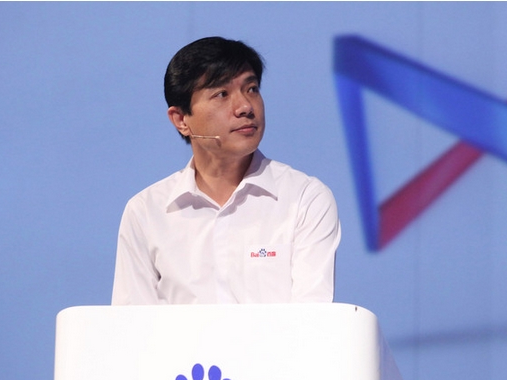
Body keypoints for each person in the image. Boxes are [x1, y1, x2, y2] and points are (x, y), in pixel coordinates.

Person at [111, 37, 341, 305]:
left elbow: (312, 319)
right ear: (181, 119)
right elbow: (131, 324)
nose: (245, 107)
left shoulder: (304, 199)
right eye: (222, 94)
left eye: (251, 89)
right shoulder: (146, 212)